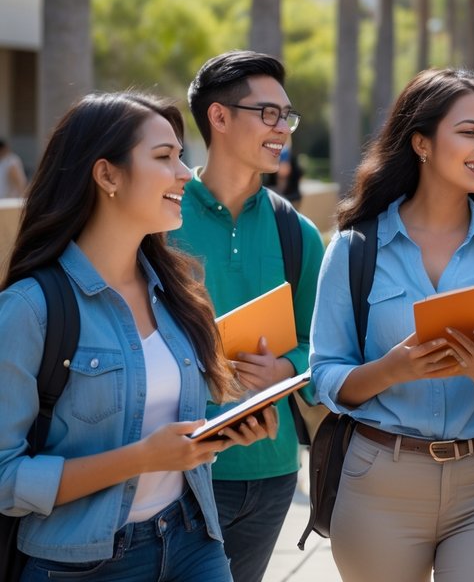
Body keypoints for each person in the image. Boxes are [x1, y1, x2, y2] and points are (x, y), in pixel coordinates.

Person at [0, 92, 275, 582]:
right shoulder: (30, 309)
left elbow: (163, 420)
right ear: (107, 175)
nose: (185, 173)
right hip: (82, 565)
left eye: (181, 156)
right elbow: (5, 478)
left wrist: (223, 430)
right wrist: (141, 459)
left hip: (192, 539)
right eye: (164, 158)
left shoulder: (176, 293)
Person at [309, 69, 474, 581]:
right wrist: (391, 370)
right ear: (421, 142)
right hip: (379, 483)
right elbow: (325, 373)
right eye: (468, 132)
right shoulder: (354, 249)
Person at [170, 51, 324, 582]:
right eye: (269, 114)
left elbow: (324, 347)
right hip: (174, 469)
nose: (283, 129)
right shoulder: (159, 215)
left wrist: (287, 369)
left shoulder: (297, 232)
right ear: (218, 116)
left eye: (288, 117)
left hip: (270, 472)